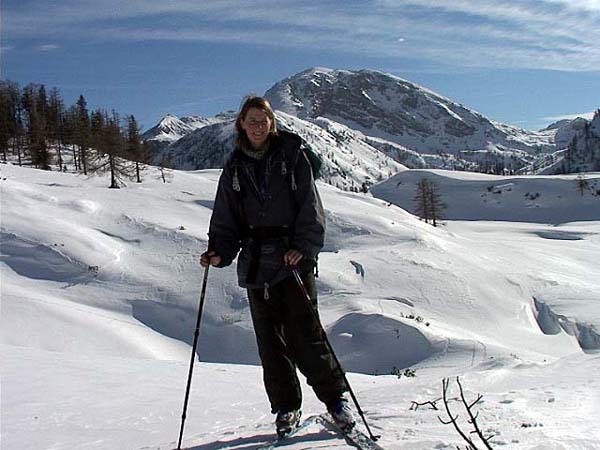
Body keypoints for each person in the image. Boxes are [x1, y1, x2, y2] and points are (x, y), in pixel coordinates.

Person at [200, 96, 355, 436]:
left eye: (263, 120)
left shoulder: (291, 156)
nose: (257, 126)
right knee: (270, 344)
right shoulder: (235, 167)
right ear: (241, 124)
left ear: (272, 123)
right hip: (256, 264)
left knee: (306, 336)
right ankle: (286, 408)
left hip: (291, 259)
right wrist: (219, 252)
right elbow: (226, 219)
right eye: (251, 120)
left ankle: (336, 400)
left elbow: (310, 208)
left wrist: (304, 247)